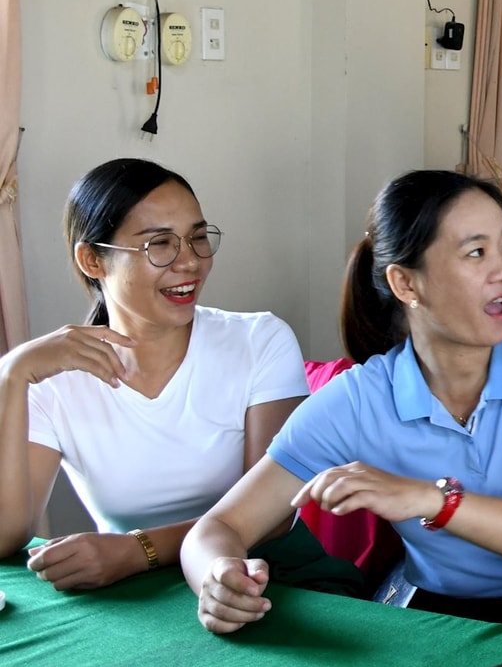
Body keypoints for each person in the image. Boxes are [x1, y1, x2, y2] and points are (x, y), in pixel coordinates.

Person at [182, 170, 502, 645]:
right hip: (442, 621)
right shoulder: (359, 399)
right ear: (406, 283)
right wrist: (217, 577)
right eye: (476, 252)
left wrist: (429, 498)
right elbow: (219, 526)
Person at [0, 159, 311, 591]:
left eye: (198, 238)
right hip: (135, 595)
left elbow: (272, 516)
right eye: (159, 244)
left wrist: (136, 550)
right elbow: (6, 537)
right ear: (92, 260)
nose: (190, 262)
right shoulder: (52, 379)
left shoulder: (259, 341)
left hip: (270, 575)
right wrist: (11, 376)